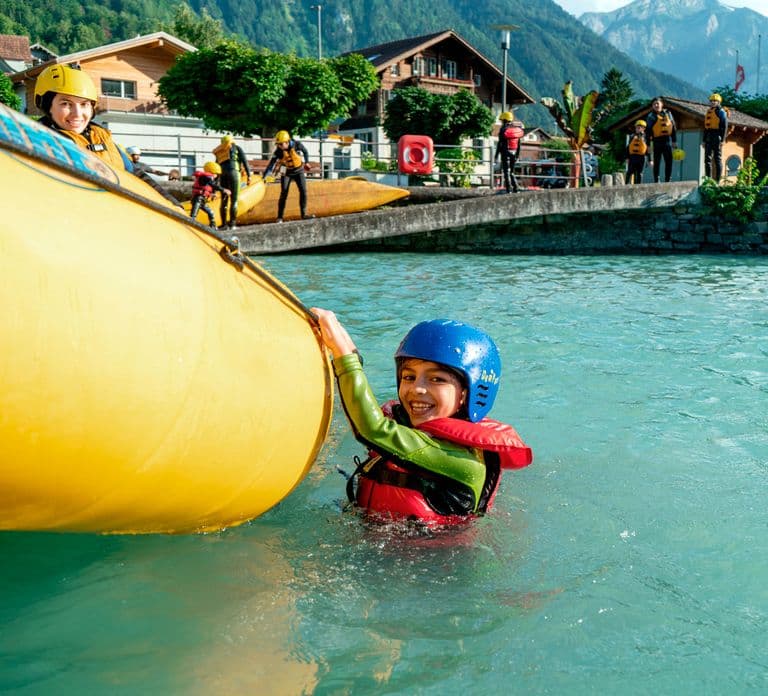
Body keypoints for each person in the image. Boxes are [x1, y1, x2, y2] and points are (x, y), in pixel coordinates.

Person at [311, 309, 533, 527]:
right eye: (409, 376)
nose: (417, 388)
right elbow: (361, 412)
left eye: (436, 379)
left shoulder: (461, 461)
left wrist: (344, 354)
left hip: (430, 559)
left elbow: (373, 428)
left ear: (467, 393)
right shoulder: (409, 427)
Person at [34, 64, 131, 172]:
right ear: (47, 107)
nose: (77, 114)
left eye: (84, 104)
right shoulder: (39, 143)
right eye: (66, 103)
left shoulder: (101, 135)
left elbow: (134, 172)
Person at [263, 130, 312, 222]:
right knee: (284, 192)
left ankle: (304, 214)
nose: (279, 146)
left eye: (281, 144)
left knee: (303, 191)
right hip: (286, 171)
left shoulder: (297, 144)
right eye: (278, 144)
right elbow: (271, 164)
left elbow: (305, 151)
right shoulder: (278, 151)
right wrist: (265, 177)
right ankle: (280, 217)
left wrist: (307, 162)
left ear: (287, 142)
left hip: (299, 170)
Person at [213, 135, 252, 230]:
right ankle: (233, 224)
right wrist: (249, 176)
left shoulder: (220, 152)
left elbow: (216, 168)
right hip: (234, 173)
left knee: (224, 200)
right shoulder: (237, 148)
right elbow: (245, 162)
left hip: (223, 175)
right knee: (234, 200)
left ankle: (224, 225)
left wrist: (215, 184)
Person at [645, 97, 677, 183]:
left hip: (667, 140)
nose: (656, 105)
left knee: (669, 161)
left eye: (657, 103)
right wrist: (648, 145)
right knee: (657, 162)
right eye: (654, 104)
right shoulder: (651, 117)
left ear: (662, 104)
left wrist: (674, 140)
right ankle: (656, 180)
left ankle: (668, 180)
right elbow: (648, 132)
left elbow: (673, 127)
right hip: (656, 141)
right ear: (652, 106)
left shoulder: (668, 113)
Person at [189, 161, 230, 229]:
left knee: (210, 212)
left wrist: (211, 194)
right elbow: (212, 185)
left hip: (202, 200)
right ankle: (190, 226)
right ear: (212, 171)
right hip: (198, 199)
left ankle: (213, 226)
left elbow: (205, 189)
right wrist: (223, 190)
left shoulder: (206, 178)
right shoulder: (205, 177)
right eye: (216, 174)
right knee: (193, 215)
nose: (217, 176)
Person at [494, 111, 524, 193]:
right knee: (512, 172)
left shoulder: (503, 130)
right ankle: (516, 188)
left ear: (504, 120)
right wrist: (517, 155)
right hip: (514, 153)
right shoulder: (516, 129)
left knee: (506, 172)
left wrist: (496, 155)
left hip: (505, 152)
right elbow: (519, 143)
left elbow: (500, 143)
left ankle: (508, 190)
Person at [703, 93, 728, 182]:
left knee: (717, 158)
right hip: (709, 136)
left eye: (715, 101)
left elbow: (725, 126)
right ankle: (708, 179)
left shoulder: (721, 112)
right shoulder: (708, 112)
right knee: (707, 159)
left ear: (719, 102)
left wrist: (723, 139)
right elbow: (706, 128)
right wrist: (704, 140)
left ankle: (717, 180)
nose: (713, 102)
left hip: (717, 136)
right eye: (712, 101)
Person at [625, 119, 650, 185]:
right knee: (629, 172)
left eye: (639, 127)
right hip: (633, 157)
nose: (637, 129)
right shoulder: (632, 136)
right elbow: (628, 147)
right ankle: (626, 185)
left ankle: (639, 187)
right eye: (636, 127)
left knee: (639, 173)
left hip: (642, 157)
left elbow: (648, 149)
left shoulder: (646, 137)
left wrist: (649, 159)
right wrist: (627, 157)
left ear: (643, 128)